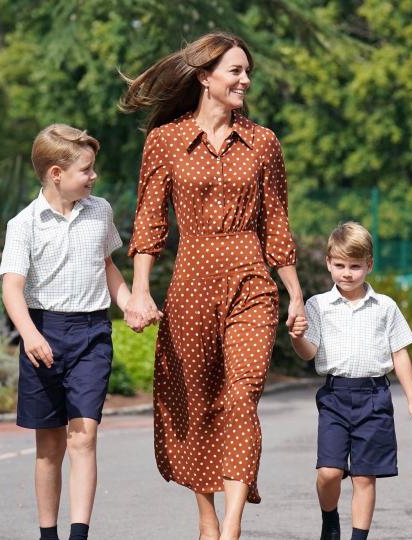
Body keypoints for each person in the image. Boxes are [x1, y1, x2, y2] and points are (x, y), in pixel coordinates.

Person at [119, 32, 306, 540]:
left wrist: (294, 292)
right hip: (191, 283)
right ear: (205, 77)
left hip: (251, 280)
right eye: (235, 71)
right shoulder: (165, 141)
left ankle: (231, 527)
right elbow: (149, 223)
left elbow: (277, 224)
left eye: (248, 72)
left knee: (241, 396)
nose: (245, 80)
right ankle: (206, 518)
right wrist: (139, 291)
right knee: (195, 400)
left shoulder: (264, 141)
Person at [0, 124, 131, 540]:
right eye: (86, 170)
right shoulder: (24, 224)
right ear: (56, 173)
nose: (93, 177)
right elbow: (12, 287)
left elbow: (108, 265)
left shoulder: (100, 210)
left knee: (83, 436)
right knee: (49, 448)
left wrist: (129, 304)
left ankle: (79, 535)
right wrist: (30, 335)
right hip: (43, 332)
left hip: (92, 333)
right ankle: (48, 534)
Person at [290, 222, 412, 540]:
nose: (347, 273)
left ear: (369, 265)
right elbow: (309, 353)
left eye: (355, 266)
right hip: (335, 396)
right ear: (328, 263)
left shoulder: (385, 307)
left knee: (365, 476)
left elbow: (400, 354)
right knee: (329, 472)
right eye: (339, 265)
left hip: (375, 397)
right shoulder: (317, 306)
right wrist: (296, 337)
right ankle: (329, 518)